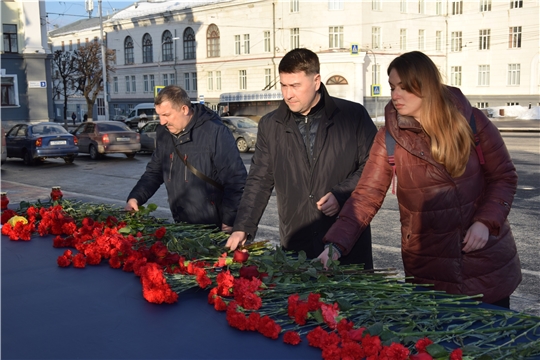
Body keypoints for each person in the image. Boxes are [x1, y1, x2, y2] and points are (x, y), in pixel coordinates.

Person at [322, 51, 521, 307]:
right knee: (439, 346)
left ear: (425, 86)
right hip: (428, 267)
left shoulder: (471, 120)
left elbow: (504, 177)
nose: (395, 95)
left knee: (490, 343)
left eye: (405, 88)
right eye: (393, 87)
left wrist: (485, 222)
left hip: (481, 261)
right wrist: (336, 244)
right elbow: (366, 195)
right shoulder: (389, 137)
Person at [225, 48, 378, 267]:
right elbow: (259, 180)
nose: (288, 94)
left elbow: (374, 168)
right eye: (284, 85)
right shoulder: (271, 125)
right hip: (297, 245)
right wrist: (243, 227)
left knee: (349, 301)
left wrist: (340, 195)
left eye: (295, 86)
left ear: (316, 81)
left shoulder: (353, 116)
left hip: (345, 242)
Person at [125, 85, 247, 232]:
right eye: (159, 115)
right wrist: (135, 198)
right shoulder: (164, 134)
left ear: (184, 109)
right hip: (181, 224)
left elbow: (236, 180)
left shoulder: (215, 132)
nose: (162, 122)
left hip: (215, 227)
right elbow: (154, 172)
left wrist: (229, 222)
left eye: (167, 115)